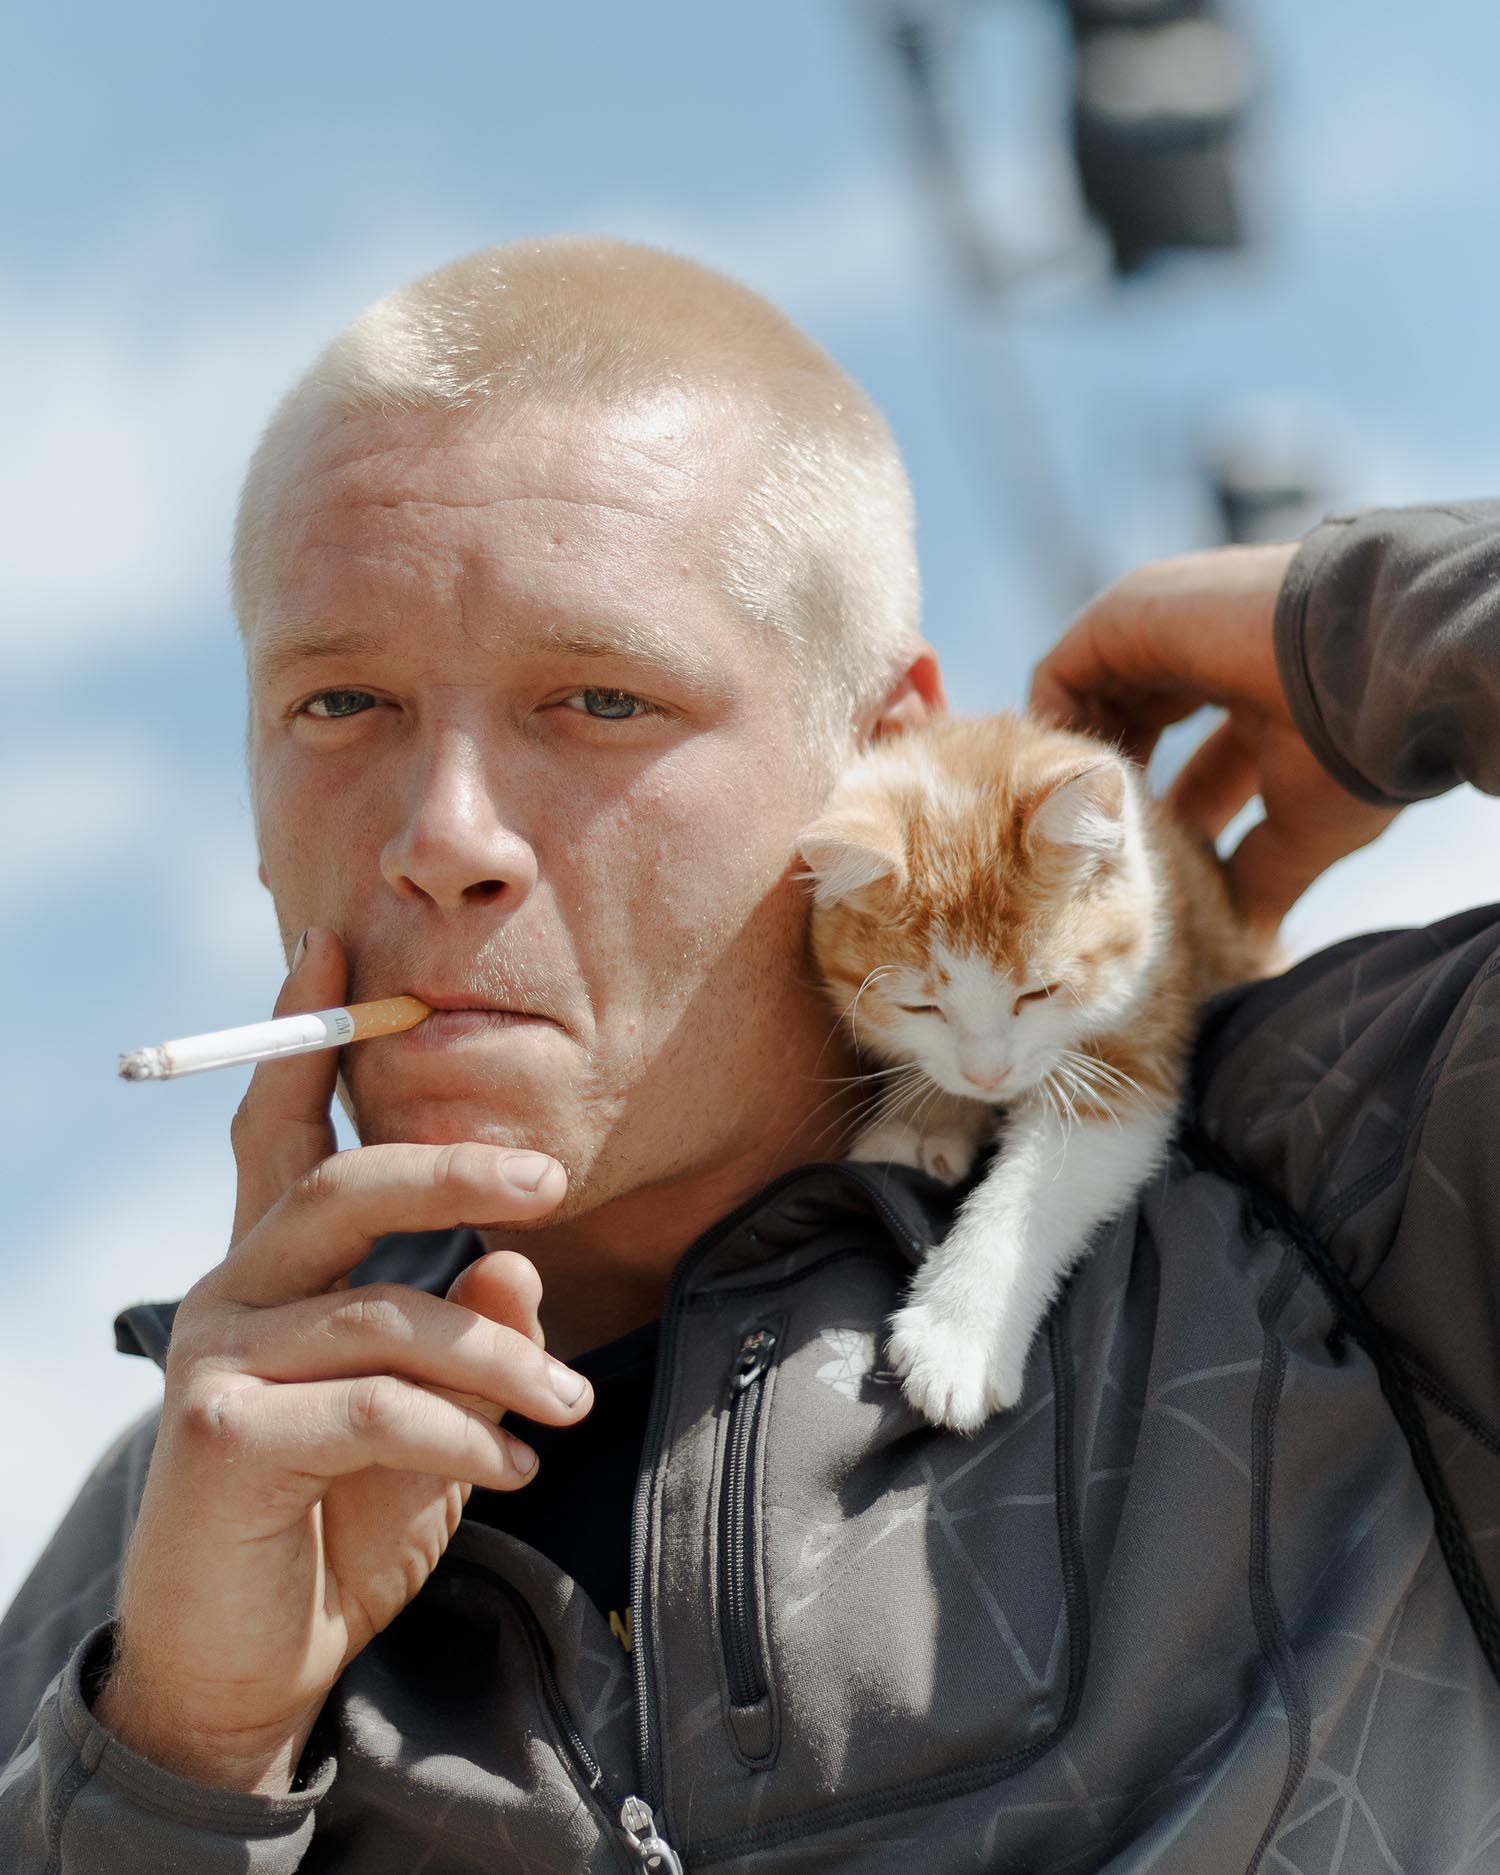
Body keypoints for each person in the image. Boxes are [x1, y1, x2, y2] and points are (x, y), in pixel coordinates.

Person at [1, 239, 1497, 1874]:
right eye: (343, 704)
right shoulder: (169, 1523)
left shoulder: (1338, 1164)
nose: (443, 842)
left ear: (887, 757)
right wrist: (176, 1764)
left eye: (599, 699)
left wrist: (1381, 624)